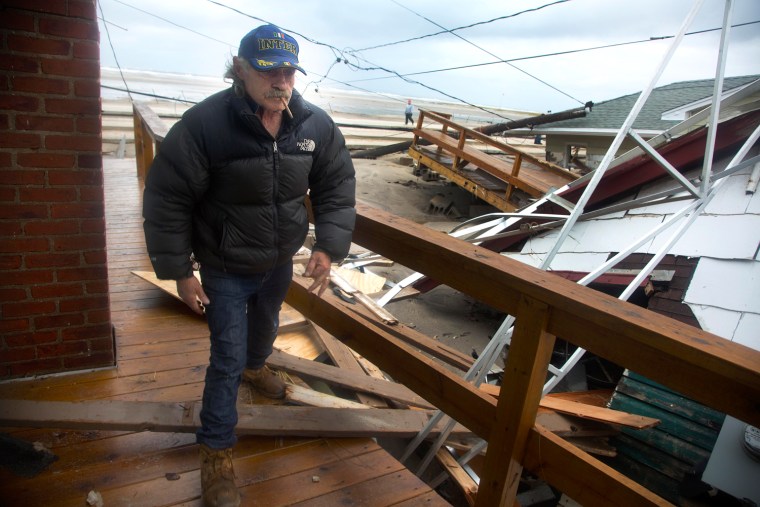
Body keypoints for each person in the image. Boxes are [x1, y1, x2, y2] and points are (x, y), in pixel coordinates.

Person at [142, 24, 356, 507]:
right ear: (239, 69)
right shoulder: (204, 126)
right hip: (224, 266)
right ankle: (216, 452)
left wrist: (328, 246)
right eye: (268, 71)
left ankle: (257, 369)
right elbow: (167, 198)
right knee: (225, 358)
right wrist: (180, 272)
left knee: (266, 328)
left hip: (279, 261)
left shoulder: (313, 125)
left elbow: (336, 185)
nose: (281, 82)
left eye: (289, 72)